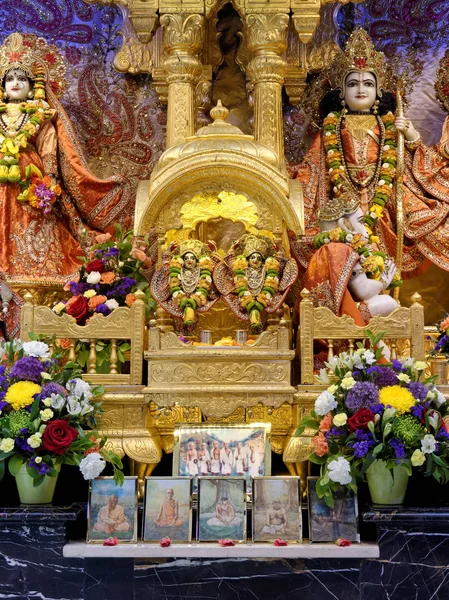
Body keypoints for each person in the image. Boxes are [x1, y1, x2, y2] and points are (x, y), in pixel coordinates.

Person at [293, 28, 449, 280]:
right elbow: (314, 167)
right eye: (353, 84)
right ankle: (351, 300)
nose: (360, 89)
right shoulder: (332, 126)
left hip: (382, 197)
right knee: (346, 253)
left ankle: (382, 298)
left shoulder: (387, 125)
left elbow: (409, 161)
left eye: (368, 83)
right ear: (341, 93)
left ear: (379, 92)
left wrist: (408, 134)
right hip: (342, 198)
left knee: (384, 256)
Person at [0, 33, 133, 285]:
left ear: (33, 86)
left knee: (30, 222)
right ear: (2, 86)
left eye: (21, 79)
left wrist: (48, 180)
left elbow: (48, 146)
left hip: (29, 180)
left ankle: (32, 272)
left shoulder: (40, 115)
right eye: (10, 79)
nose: (15, 83)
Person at [214, 233, 298, 331]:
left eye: (258, 258)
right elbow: (231, 261)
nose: (255, 260)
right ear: (247, 258)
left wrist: (278, 250)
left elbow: (279, 266)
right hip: (243, 302)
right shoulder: (242, 268)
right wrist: (233, 247)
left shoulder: (266, 269)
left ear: (263, 260)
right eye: (252, 257)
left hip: (265, 302)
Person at [151, 239, 219, 329]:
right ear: (182, 260)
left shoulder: (203, 271)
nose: (189, 260)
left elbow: (214, 268)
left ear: (197, 260)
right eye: (186, 258)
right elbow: (166, 266)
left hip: (200, 303)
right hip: (177, 304)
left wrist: (213, 252)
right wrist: (168, 252)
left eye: (192, 258)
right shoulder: (176, 270)